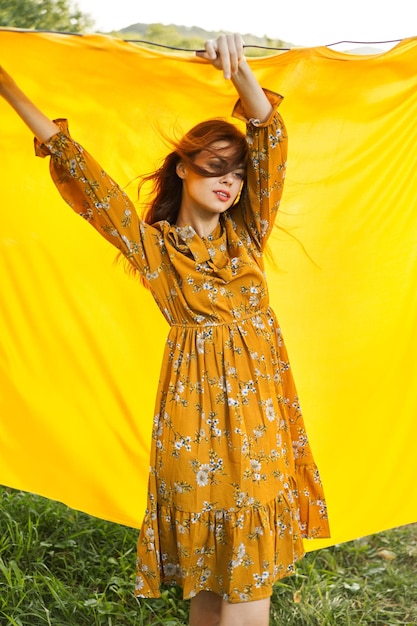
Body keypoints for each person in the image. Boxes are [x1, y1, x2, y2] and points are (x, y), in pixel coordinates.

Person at [0, 33, 329, 626]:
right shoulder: (152, 248)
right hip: (191, 415)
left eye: (236, 172)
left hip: (259, 414)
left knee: (249, 560)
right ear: (184, 166)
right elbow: (81, 172)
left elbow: (272, 139)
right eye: (214, 167)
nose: (229, 181)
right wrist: (7, 86)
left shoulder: (246, 234)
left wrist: (240, 73)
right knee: (206, 574)